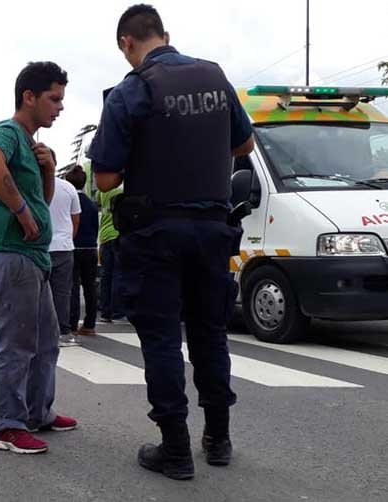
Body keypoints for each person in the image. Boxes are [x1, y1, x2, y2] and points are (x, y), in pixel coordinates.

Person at [88, 4, 254, 480]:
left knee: (161, 338)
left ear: (127, 43)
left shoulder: (132, 90)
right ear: (165, 34)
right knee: (209, 334)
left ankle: (175, 450)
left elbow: (103, 178)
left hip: (156, 232)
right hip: (211, 230)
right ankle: (217, 439)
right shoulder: (215, 77)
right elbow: (244, 146)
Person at [0, 61, 77, 455]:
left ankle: (37, 413)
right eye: (54, 98)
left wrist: (48, 172)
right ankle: (5, 426)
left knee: (46, 341)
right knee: (16, 344)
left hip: (32, 258)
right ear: (28, 97)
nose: (60, 107)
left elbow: (42, 204)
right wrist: (18, 210)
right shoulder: (8, 132)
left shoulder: (32, 145)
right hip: (10, 254)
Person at [65, 166, 100, 337]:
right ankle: (90, 324)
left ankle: (72, 324)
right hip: (91, 248)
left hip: (74, 247)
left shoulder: (69, 201)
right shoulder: (92, 205)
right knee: (90, 286)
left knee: (73, 287)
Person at [48, 175, 81, 347]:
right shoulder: (68, 187)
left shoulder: (31, 183)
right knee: (62, 293)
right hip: (63, 247)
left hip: (39, 246)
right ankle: (63, 332)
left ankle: (36, 330)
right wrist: (67, 238)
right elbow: (75, 219)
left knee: (34, 291)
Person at [96, 184, 124, 322]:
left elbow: (97, 201)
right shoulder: (122, 190)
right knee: (118, 273)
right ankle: (117, 311)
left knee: (106, 275)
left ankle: (105, 310)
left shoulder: (103, 191)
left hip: (104, 236)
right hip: (118, 234)